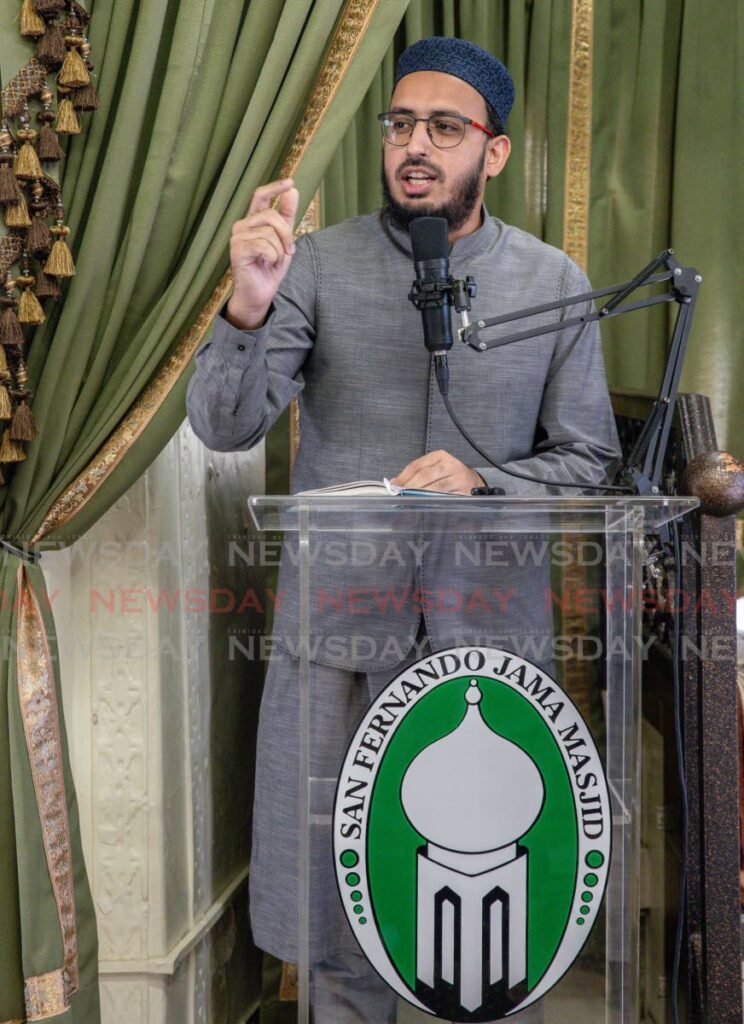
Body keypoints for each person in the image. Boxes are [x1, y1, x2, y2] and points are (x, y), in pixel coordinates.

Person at [187, 36, 621, 1024]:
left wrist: (483, 479)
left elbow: (587, 459)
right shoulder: (320, 265)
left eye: (443, 126)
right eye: (400, 124)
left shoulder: (553, 284)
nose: (414, 144)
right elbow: (224, 422)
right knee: (343, 935)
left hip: (488, 651)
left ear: (493, 152)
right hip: (340, 642)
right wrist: (249, 305)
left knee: (485, 934)